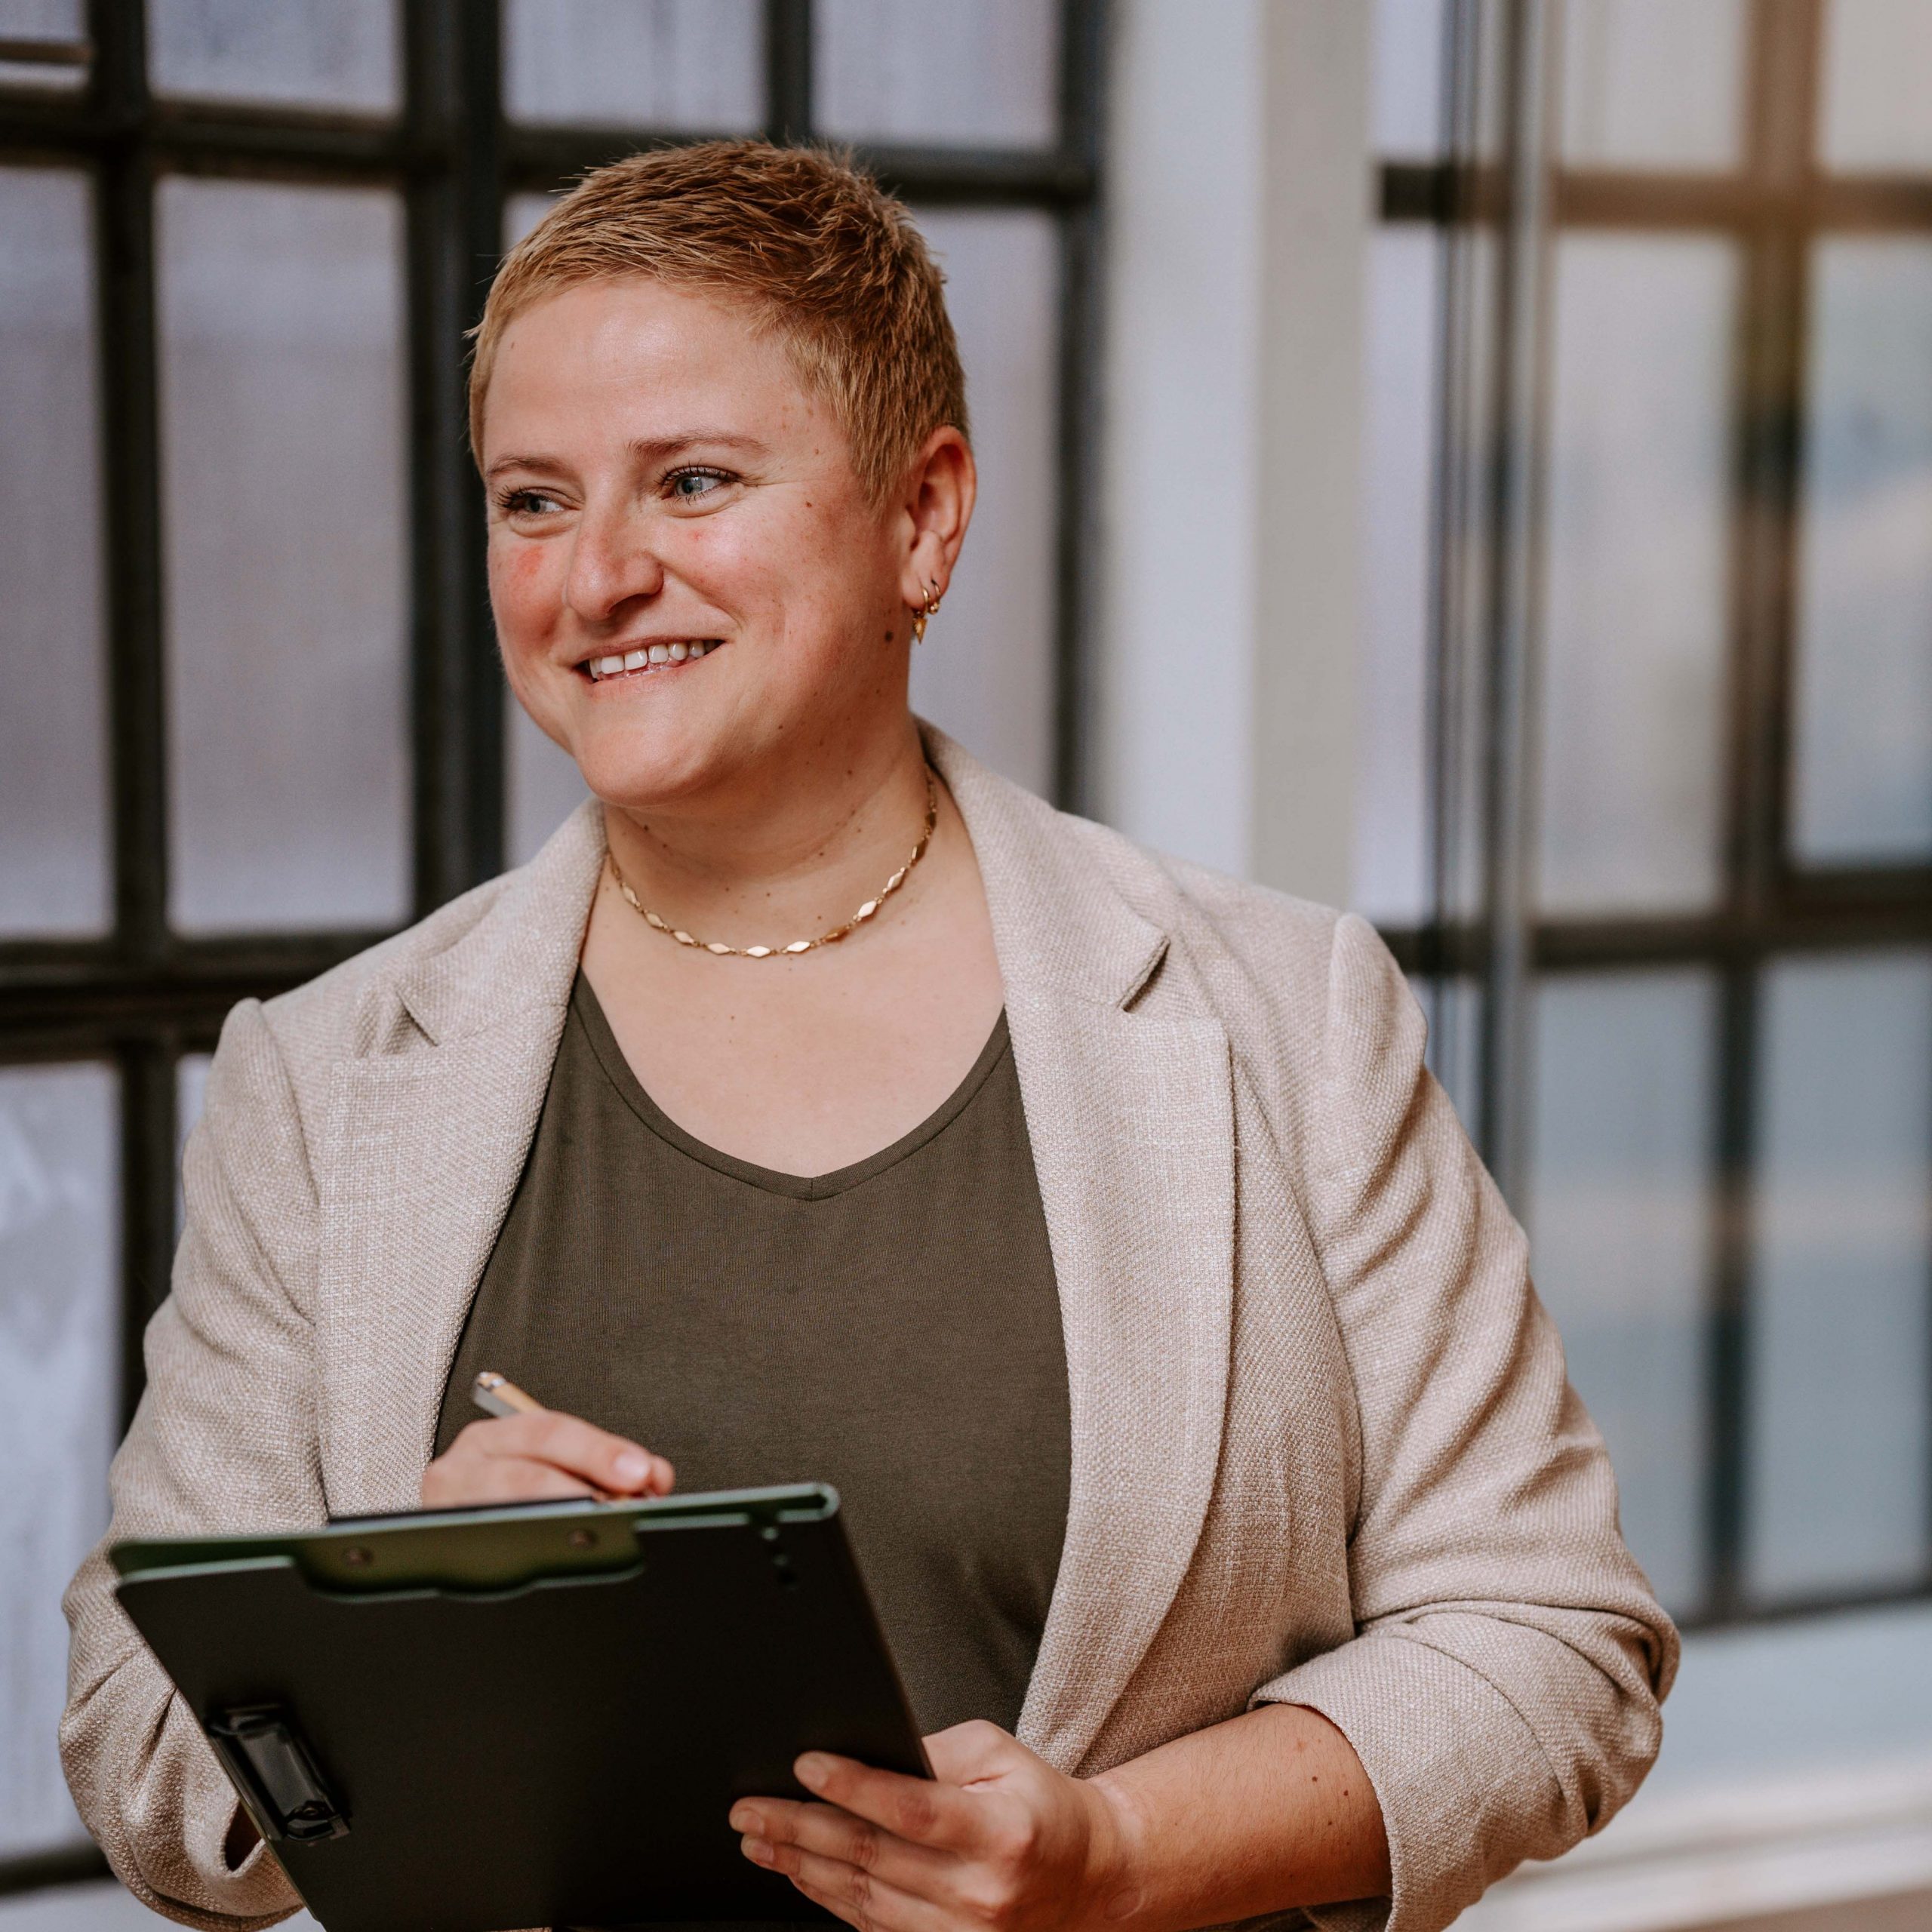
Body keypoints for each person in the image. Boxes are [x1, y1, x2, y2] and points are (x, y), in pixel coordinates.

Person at [63, 140, 1673, 1932]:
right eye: (531, 500)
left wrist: (1116, 1856)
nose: (595, 576)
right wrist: (390, 1614)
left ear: (922, 517)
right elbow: (143, 1756)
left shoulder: (1283, 1016)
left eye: (691, 480)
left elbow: (1549, 1642)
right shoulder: (324, 1080)